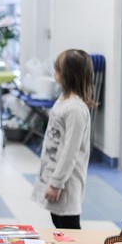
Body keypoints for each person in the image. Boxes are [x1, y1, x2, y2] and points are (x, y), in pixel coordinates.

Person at [32, 49, 95, 229]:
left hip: (66, 184)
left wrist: (57, 183)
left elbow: (70, 152)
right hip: (54, 176)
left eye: (58, 69)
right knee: (58, 223)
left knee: (69, 228)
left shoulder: (75, 109)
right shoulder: (63, 100)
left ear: (68, 75)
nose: (54, 72)